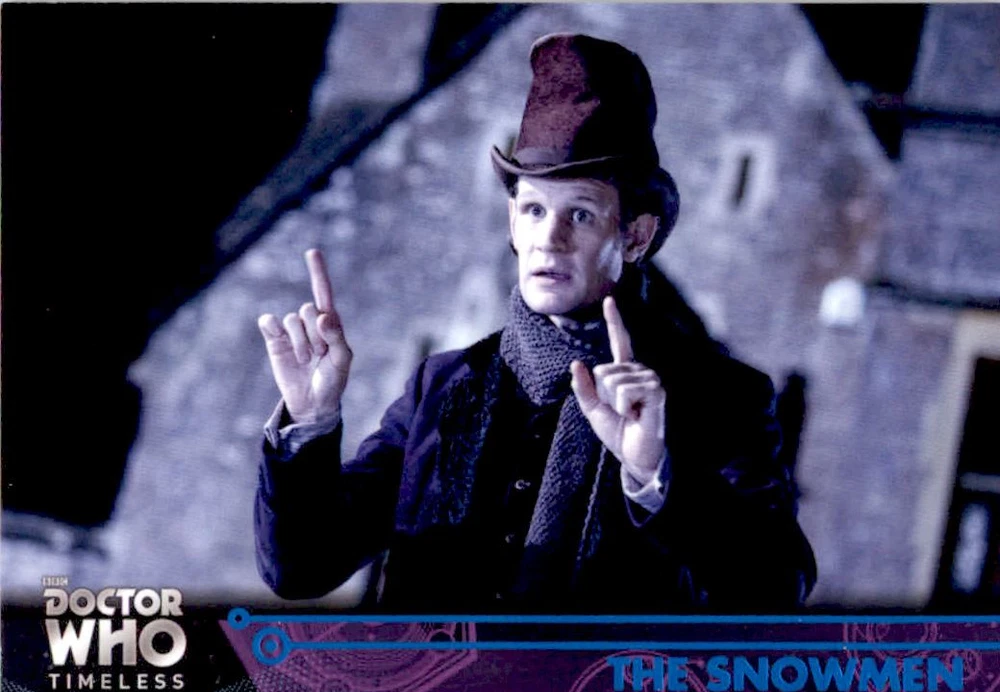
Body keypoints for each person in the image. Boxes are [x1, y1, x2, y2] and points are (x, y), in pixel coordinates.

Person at [254, 33, 816, 612]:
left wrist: (655, 476)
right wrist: (310, 425)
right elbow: (302, 567)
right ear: (513, 224)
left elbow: (776, 590)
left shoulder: (717, 395)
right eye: (534, 209)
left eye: (581, 214)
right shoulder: (443, 386)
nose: (550, 238)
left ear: (635, 236)